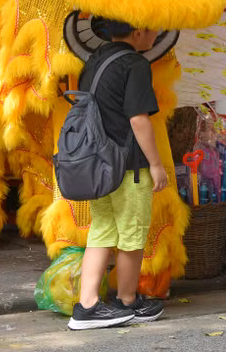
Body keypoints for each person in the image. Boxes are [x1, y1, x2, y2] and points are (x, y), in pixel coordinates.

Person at [68, 18, 167, 330]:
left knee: (102, 231)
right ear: (138, 31)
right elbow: (138, 120)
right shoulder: (134, 63)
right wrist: (156, 164)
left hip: (99, 164)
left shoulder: (95, 60)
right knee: (131, 233)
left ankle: (86, 307)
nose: (155, 33)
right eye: (153, 28)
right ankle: (126, 300)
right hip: (128, 168)